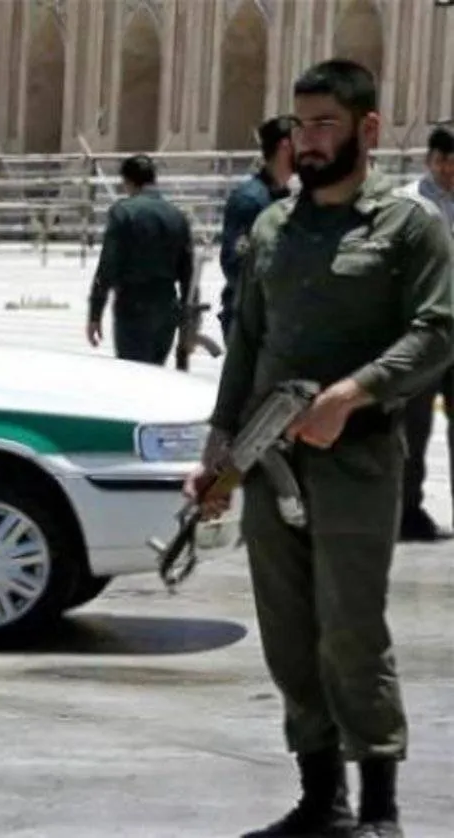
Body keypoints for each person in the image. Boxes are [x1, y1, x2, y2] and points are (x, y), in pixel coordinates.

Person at [189, 59, 454, 838]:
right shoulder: (273, 227)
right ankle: (320, 801)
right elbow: (246, 346)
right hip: (269, 461)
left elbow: (439, 332)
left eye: (325, 125)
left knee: (351, 630)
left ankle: (380, 810)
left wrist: (352, 394)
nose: (307, 142)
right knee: (288, 632)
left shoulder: (408, 229)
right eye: (299, 126)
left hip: (359, 461)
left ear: (368, 129)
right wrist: (218, 455)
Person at [396, 124, 454, 541]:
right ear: (429, 160)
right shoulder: (405, 203)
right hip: (420, 328)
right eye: (442, 163)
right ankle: (407, 509)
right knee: (413, 426)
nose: (449, 172)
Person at [85, 154, 196, 364]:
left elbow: (107, 265)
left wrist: (95, 312)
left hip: (133, 306)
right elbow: (188, 274)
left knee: (134, 375)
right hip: (166, 308)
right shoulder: (177, 215)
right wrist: (188, 322)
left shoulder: (123, 212)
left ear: (128, 181)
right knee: (156, 372)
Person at [219, 116, 296, 338]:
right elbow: (235, 264)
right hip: (251, 322)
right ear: (285, 146)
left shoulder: (286, 198)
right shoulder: (250, 200)